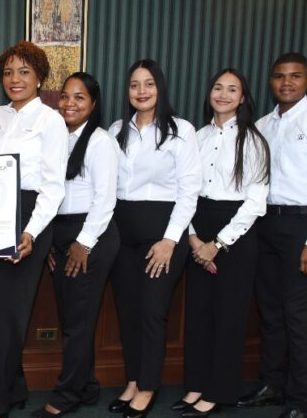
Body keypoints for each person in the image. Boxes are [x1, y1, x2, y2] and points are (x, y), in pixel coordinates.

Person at [0, 41, 68, 418]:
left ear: (40, 77)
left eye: (24, 71)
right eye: (8, 72)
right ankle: (11, 390)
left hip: (29, 219)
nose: (15, 79)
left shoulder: (51, 120)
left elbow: (54, 186)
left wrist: (31, 232)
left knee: (2, 313)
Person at [107, 59, 201, 418]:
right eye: (134, 85)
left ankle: (147, 386)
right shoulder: (117, 130)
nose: (141, 91)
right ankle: (132, 380)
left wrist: (170, 240)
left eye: (148, 84)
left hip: (162, 230)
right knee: (128, 311)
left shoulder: (182, 131)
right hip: (121, 229)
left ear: (160, 88)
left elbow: (189, 191)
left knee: (151, 312)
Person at [173, 69, 270, 418]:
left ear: (243, 98)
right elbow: (183, 190)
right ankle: (196, 386)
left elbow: (256, 203)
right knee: (197, 315)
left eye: (233, 89)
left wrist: (219, 243)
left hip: (237, 234)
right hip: (198, 225)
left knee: (228, 316)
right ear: (209, 93)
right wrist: (195, 238)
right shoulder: (195, 137)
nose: (224, 94)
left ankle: (218, 391)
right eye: (218, 87)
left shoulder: (254, 140)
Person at [35, 72, 120, 417]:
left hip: (92, 235)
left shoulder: (100, 142)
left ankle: (66, 396)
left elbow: (105, 199)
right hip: (61, 233)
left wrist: (82, 243)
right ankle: (86, 387)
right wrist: (53, 243)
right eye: (66, 96)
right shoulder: (56, 136)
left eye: (80, 97)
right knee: (72, 316)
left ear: (94, 104)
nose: (70, 103)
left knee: (79, 322)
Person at [239, 52, 307, 418]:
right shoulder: (262, 125)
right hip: (265, 224)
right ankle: (272, 384)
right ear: (271, 81)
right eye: (279, 76)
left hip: (303, 226)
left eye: (295, 76)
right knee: (269, 311)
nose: (286, 82)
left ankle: (302, 398)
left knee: (297, 314)